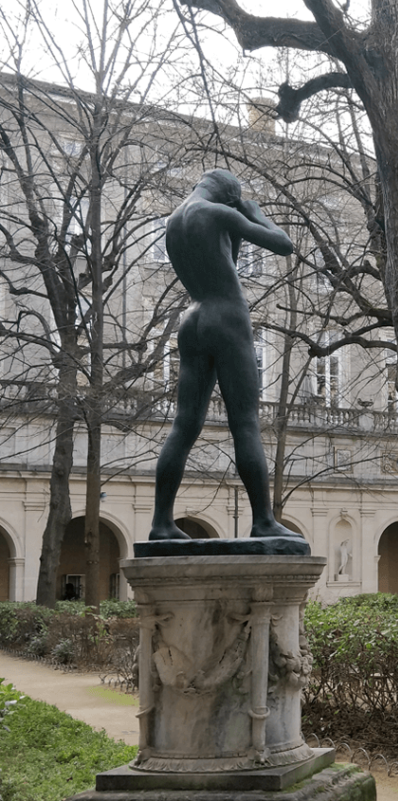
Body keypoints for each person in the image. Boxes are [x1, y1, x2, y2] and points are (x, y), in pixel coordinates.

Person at [149, 169, 301, 541]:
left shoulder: (173, 222)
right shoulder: (220, 212)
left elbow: (224, 261)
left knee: (184, 425)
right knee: (245, 423)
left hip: (193, 318)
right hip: (228, 317)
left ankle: (161, 523)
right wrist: (254, 213)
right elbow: (284, 244)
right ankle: (263, 520)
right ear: (231, 196)